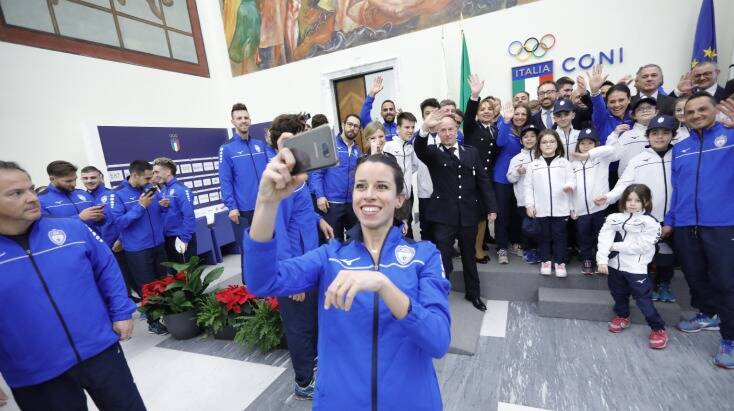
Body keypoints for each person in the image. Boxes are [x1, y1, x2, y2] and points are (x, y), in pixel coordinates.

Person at [244, 150, 451, 409]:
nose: (369, 195)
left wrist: (384, 285)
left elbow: (438, 340)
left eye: (382, 186)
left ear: (399, 199)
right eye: (361, 186)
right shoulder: (331, 256)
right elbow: (261, 281)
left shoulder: (425, 256)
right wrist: (266, 202)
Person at [0, 161, 145, 410]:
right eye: (16, 193)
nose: (32, 198)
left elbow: (107, 269)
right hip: (36, 370)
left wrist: (121, 312)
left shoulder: (72, 230)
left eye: (31, 189)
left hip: (100, 349)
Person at [664, 92, 734, 368]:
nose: (695, 116)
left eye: (702, 110)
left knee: (725, 283)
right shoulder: (680, 148)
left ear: (715, 110)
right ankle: (707, 314)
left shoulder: (730, 137)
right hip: (684, 223)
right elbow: (677, 187)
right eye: (690, 112)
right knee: (695, 276)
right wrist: (670, 219)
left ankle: (729, 338)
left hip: (721, 223)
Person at [415, 109, 498, 312]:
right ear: (438, 133)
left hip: (469, 214)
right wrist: (425, 127)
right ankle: (440, 295)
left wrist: (491, 207)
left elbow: (482, 181)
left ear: (456, 129)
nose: (447, 133)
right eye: (442, 130)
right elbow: (419, 148)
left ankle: (474, 294)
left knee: (469, 256)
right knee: (443, 258)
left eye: (450, 129)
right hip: (444, 216)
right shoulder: (433, 153)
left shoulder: (471, 152)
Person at [265, 114, 321, 400]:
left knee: (311, 323)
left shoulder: (297, 175)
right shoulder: (277, 178)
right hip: (294, 272)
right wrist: (292, 281)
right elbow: (279, 234)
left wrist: (317, 219)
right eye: (303, 136)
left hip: (308, 265)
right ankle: (303, 382)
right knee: (299, 328)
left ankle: (312, 367)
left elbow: (298, 213)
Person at [600, 115, 677, 301]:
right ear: (648, 135)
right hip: (646, 218)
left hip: (673, 217)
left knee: (667, 257)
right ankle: (644, 285)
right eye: (655, 133)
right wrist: (608, 197)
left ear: (672, 135)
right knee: (643, 253)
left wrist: (672, 219)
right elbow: (623, 184)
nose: (659, 137)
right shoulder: (639, 159)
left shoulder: (678, 156)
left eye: (665, 133)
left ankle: (663, 285)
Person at [596, 184, 668, 349]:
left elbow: (641, 246)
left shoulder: (651, 223)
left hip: (636, 269)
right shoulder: (614, 217)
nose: (632, 203)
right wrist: (602, 260)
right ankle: (622, 316)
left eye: (637, 200)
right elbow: (604, 238)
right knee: (618, 294)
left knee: (643, 300)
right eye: (629, 199)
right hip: (614, 267)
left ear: (646, 201)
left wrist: (614, 246)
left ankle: (658, 328)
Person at [110, 160, 169, 335]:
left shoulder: (149, 189)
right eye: (147, 177)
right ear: (134, 175)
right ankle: (153, 321)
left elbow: (157, 213)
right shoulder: (118, 194)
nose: (151, 180)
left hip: (158, 244)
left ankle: (168, 312)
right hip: (137, 250)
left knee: (163, 282)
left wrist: (162, 206)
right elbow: (119, 222)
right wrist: (141, 206)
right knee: (147, 287)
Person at [219, 103, 269, 259]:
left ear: (250, 120)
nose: (243, 121)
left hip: (265, 204)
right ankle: (248, 284)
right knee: (248, 251)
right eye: (239, 118)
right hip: (244, 209)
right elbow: (225, 180)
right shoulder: (226, 148)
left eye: (246, 117)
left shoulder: (260, 145)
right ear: (233, 122)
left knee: (267, 245)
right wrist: (232, 207)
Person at [80, 166, 138, 301]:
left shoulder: (111, 195)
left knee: (130, 276)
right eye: (86, 178)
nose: (89, 181)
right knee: (114, 279)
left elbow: (122, 221)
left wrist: (121, 240)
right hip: (96, 247)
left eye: (93, 177)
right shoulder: (83, 198)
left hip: (116, 245)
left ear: (101, 177)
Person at [524, 129, 575, 277]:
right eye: (544, 142)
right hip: (541, 210)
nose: (548, 144)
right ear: (538, 145)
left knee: (560, 236)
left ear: (557, 143)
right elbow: (528, 187)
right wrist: (529, 205)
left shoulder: (564, 163)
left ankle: (560, 262)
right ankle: (545, 260)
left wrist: (571, 206)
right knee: (544, 236)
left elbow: (572, 182)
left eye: (551, 141)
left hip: (561, 209)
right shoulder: (533, 165)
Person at [569, 128, 619, 275]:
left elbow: (611, 149)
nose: (586, 146)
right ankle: (587, 259)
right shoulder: (573, 165)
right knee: (583, 236)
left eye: (590, 143)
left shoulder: (601, 159)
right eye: (583, 143)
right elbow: (571, 188)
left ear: (596, 144)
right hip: (581, 210)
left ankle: (602, 260)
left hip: (600, 207)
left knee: (602, 235)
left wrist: (590, 154)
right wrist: (572, 208)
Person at [310, 114, 362, 241]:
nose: (352, 128)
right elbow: (317, 173)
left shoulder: (358, 151)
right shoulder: (329, 145)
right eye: (350, 124)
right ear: (343, 125)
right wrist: (320, 196)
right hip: (331, 203)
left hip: (351, 204)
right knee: (332, 241)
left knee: (355, 241)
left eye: (356, 126)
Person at [464, 74, 499, 263]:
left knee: (484, 215)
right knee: (476, 217)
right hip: (472, 178)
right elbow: (468, 116)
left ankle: (479, 246)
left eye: (489, 109)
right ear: (477, 112)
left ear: (495, 113)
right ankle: (475, 250)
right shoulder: (471, 127)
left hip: (487, 179)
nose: (486, 112)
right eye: (482, 109)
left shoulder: (495, 130)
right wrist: (474, 96)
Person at [494, 102, 530, 263]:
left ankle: (516, 242)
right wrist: (507, 120)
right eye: (517, 113)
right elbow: (500, 143)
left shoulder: (529, 132)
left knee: (518, 213)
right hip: (502, 178)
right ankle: (501, 247)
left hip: (521, 179)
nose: (520, 117)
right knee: (502, 214)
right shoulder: (504, 125)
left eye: (523, 114)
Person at [506, 124, 541, 264]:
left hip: (542, 200)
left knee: (540, 227)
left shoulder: (543, 156)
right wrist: (517, 172)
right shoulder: (516, 159)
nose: (529, 139)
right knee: (527, 227)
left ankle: (540, 250)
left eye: (533, 136)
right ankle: (527, 250)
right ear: (521, 141)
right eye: (525, 137)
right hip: (524, 201)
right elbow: (510, 178)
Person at [152, 157, 197, 263]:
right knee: (176, 276)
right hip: (168, 239)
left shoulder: (181, 190)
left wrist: (184, 239)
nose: (154, 175)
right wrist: (161, 207)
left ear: (168, 171)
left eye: (157, 172)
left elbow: (189, 216)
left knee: (188, 276)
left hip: (181, 237)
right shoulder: (163, 190)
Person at [382, 112, 419, 238]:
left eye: (413, 128)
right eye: (407, 127)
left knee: (408, 234)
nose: (410, 131)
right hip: (393, 201)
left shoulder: (410, 147)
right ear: (398, 128)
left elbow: (414, 166)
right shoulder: (388, 147)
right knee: (394, 236)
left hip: (407, 199)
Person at [39, 161, 103, 228]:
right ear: (52, 179)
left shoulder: (84, 194)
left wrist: (100, 219)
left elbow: (102, 223)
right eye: (68, 181)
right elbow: (46, 228)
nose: (74, 184)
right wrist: (79, 218)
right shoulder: (40, 200)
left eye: (75, 179)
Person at [605, 97, 658, 176]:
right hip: (632, 184)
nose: (645, 110)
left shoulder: (665, 133)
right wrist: (614, 135)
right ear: (633, 115)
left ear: (656, 112)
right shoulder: (627, 135)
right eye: (640, 109)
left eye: (649, 107)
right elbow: (612, 156)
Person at [415, 98, 441, 243]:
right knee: (427, 227)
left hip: (444, 192)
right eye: (427, 113)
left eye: (434, 112)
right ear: (423, 117)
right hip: (425, 192)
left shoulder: (447, 135)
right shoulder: (418, 138)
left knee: (444, 227)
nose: (431, 116)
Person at [588, 65, 634, 144]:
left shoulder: (634, 115)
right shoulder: (603, 117)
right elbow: (598, 105)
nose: (617, 105)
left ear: (629, 99)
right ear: (607, 103)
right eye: (612, 102)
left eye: (621, 100)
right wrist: (595, 90)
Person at [359, 76, 398, 141]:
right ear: (381, 113)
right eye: (385, 110)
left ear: (395, 112)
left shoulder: (401, 129)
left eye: (391, 109)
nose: (388, 112)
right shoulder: (377, 130)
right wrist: (372, 94)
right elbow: (364, 117)